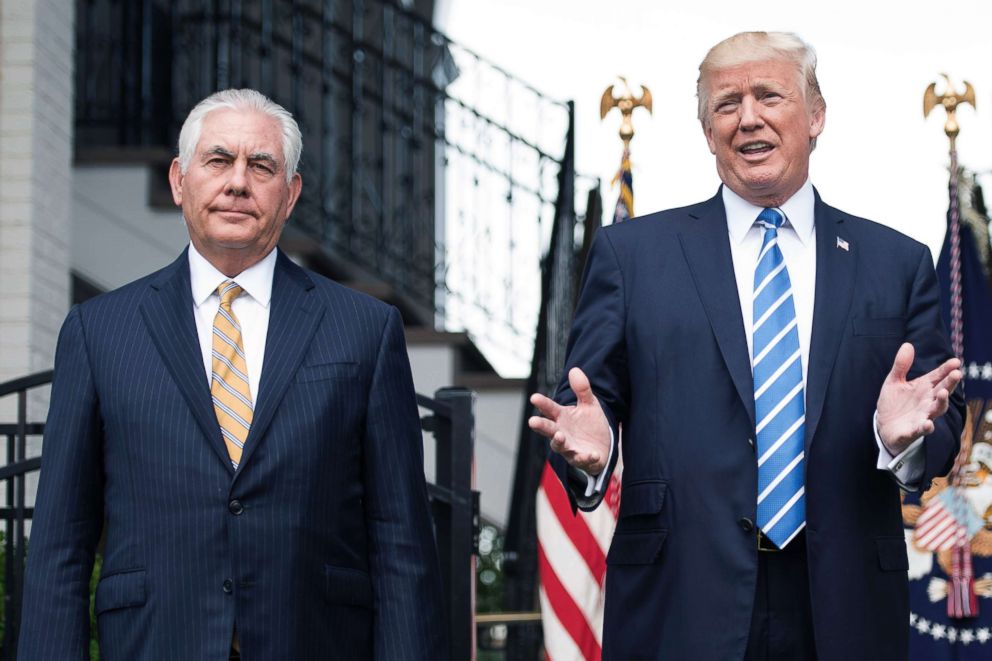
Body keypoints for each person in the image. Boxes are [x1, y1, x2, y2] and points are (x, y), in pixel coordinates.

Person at [529, 32, 965, 660]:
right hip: (679, 600)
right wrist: (593, 461)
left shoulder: (896, 263)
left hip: (844, 606)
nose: (748, 117)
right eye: (726, 103)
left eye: (769, 96)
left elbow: (944, 415)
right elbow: (583, 416)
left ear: (815, 116)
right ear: (707, 130)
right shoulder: (632, 257)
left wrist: (904, 439)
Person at [18, 89, 447, 661]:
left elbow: (401, 545)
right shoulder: (99, 333)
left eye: (262, 165)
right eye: (218, 160)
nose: (238, 182)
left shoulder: (365, 331)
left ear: (290, 194)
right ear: (179, 180)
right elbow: (58, 549)